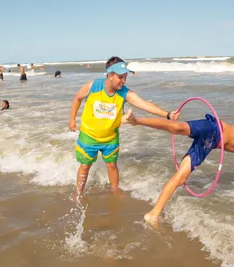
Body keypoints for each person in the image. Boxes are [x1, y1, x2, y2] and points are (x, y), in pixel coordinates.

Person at [121, 109, 234, 226]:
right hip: (215, 128)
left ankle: (153, 214)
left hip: (209, 143)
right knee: (177, 128)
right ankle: (137, 121)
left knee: (181, 178)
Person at [68, 56, 180, 200]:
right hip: (88, 136)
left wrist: (168, 114)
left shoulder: (124, 93)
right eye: (121, 77)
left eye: (125, 77)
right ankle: (78, 192)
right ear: (110, 75)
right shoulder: (93, 86)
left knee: (112, 165)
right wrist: (72, 120)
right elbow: (77, 98)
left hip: (111, 138)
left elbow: (145, 104)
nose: (124, 81)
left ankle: (115, 190)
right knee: (85, 166)